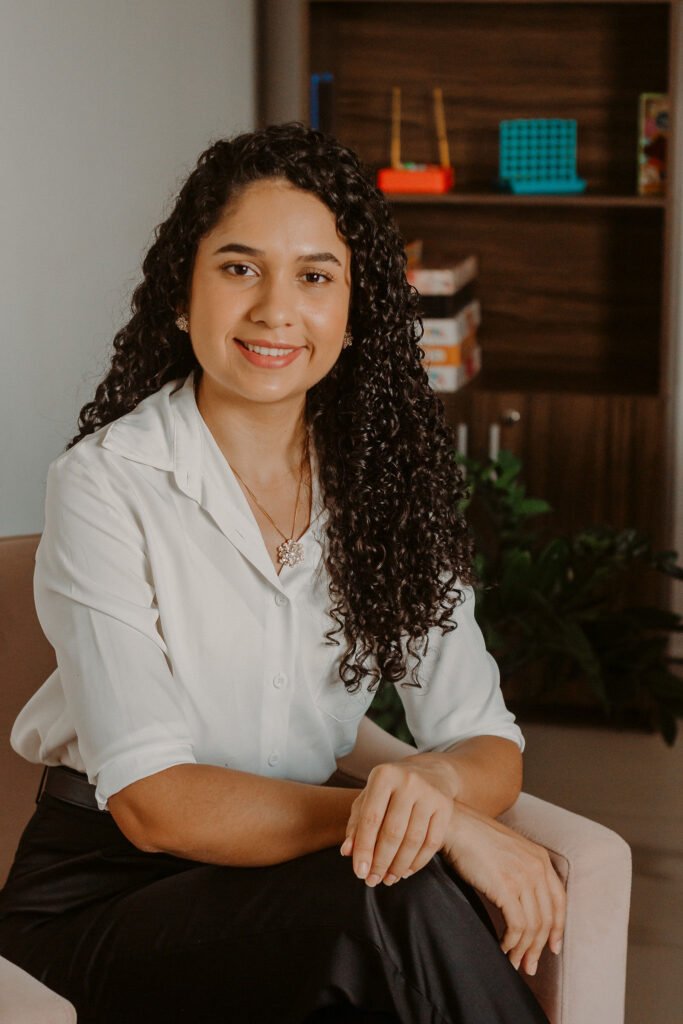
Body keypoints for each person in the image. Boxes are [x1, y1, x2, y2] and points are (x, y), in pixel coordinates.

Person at [0, 123, 564, 1024]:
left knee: (388, 896)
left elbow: (484, 740)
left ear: (354, 310)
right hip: (104, 897)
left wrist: (439, 790)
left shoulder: (385, 490)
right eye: (239, 267)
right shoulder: (106, 482)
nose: (275, 309)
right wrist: (436, 828)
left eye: (314, 276)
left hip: (290, 889)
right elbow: (154, 805)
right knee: (389, 897)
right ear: (181, 294)